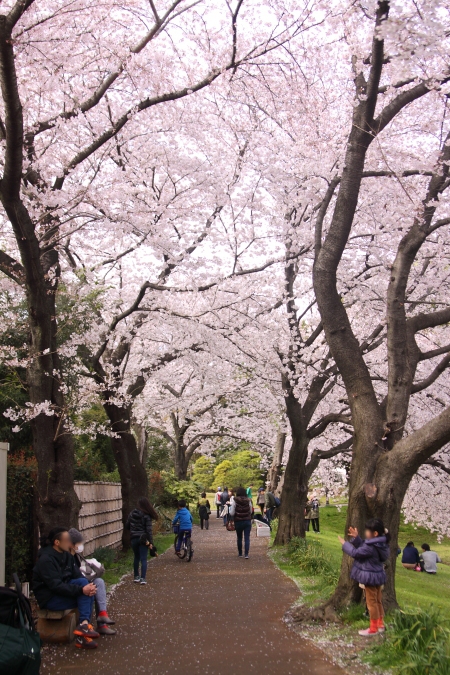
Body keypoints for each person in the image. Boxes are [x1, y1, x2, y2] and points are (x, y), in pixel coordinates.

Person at [32, 527, 100, 650]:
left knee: (86, 587)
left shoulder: (66, 556)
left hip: (63, 592)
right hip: (50, 598)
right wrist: (81, 590)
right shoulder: (46, 560)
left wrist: (88, 586)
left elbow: (78, 576)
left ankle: (84, 627)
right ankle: (84, 631)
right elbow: (56, 586)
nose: (70, 543)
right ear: (57, 542)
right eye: (67, 540)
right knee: (84, 592)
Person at [339, 518, 390, 636]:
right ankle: (380, 624)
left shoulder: (370, 546)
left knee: (371, 602)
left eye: (367, 530)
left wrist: (345, 544)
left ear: (375, 533)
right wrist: (357, 538)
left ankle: (373, 628)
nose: (366, 532)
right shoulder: (381, 543)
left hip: (370, 577)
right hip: (378, 575)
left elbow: (356, 553)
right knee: (378, 601)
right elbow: (364, 548)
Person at [68, 528, 116, 635]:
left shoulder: (76, 556)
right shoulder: (66, 557)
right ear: (72, 544)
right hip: (73, 587)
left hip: (79, 584)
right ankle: (87, 625)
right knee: (91, 588)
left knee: (99, 582)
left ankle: (102, 616)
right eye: (79, 543)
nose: (81, 545)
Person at [125, 497, 158, 585]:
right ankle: (143, 578)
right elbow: (149, 530)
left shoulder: (132, 513)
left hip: (133, 538)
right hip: (143, 539)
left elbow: (127, 525)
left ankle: (136, 576)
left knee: (136, 557)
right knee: (144, 558)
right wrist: (151, 542)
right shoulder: (146, 515)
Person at [229, 487, 253, 558]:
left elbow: (232, 513)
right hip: (247, 521)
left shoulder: (235, 501)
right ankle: (246, 554)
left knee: (239, 537)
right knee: (247, 538)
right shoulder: (248, 501)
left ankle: (240, 553)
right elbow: (251, 511)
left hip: (238, 521)